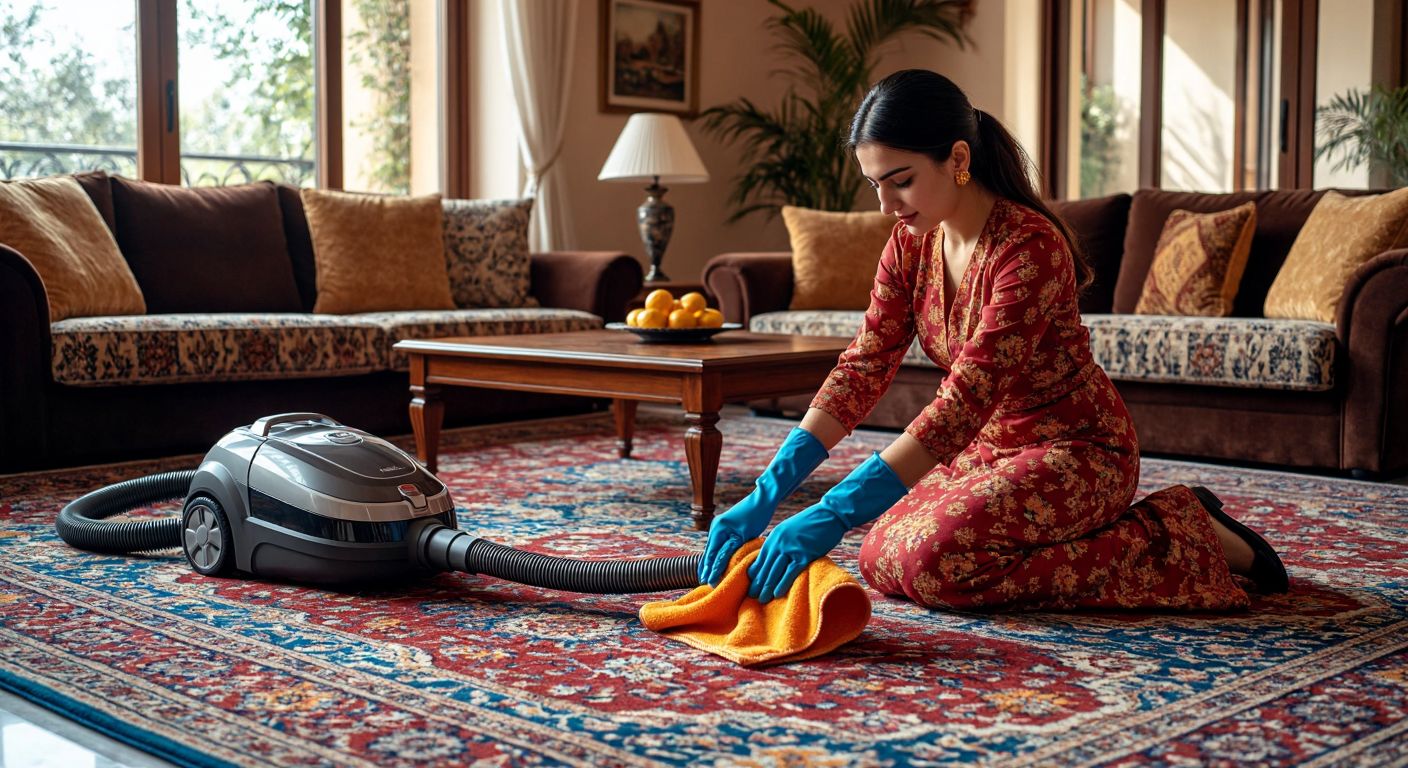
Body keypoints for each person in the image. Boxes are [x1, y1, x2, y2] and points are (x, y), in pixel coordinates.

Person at [698, 69, 1289, 610]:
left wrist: (827, 512)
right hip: (982, 455)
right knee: (881, 557)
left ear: (958, 158)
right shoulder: (910, 243)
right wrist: (766, 492)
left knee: (937, 565)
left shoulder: (1029, 247)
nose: (885, 205)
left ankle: (1179, 530)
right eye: (874, 184)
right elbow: (864, 364)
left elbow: (964, 401)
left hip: (1076, 451)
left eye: (899, 181)